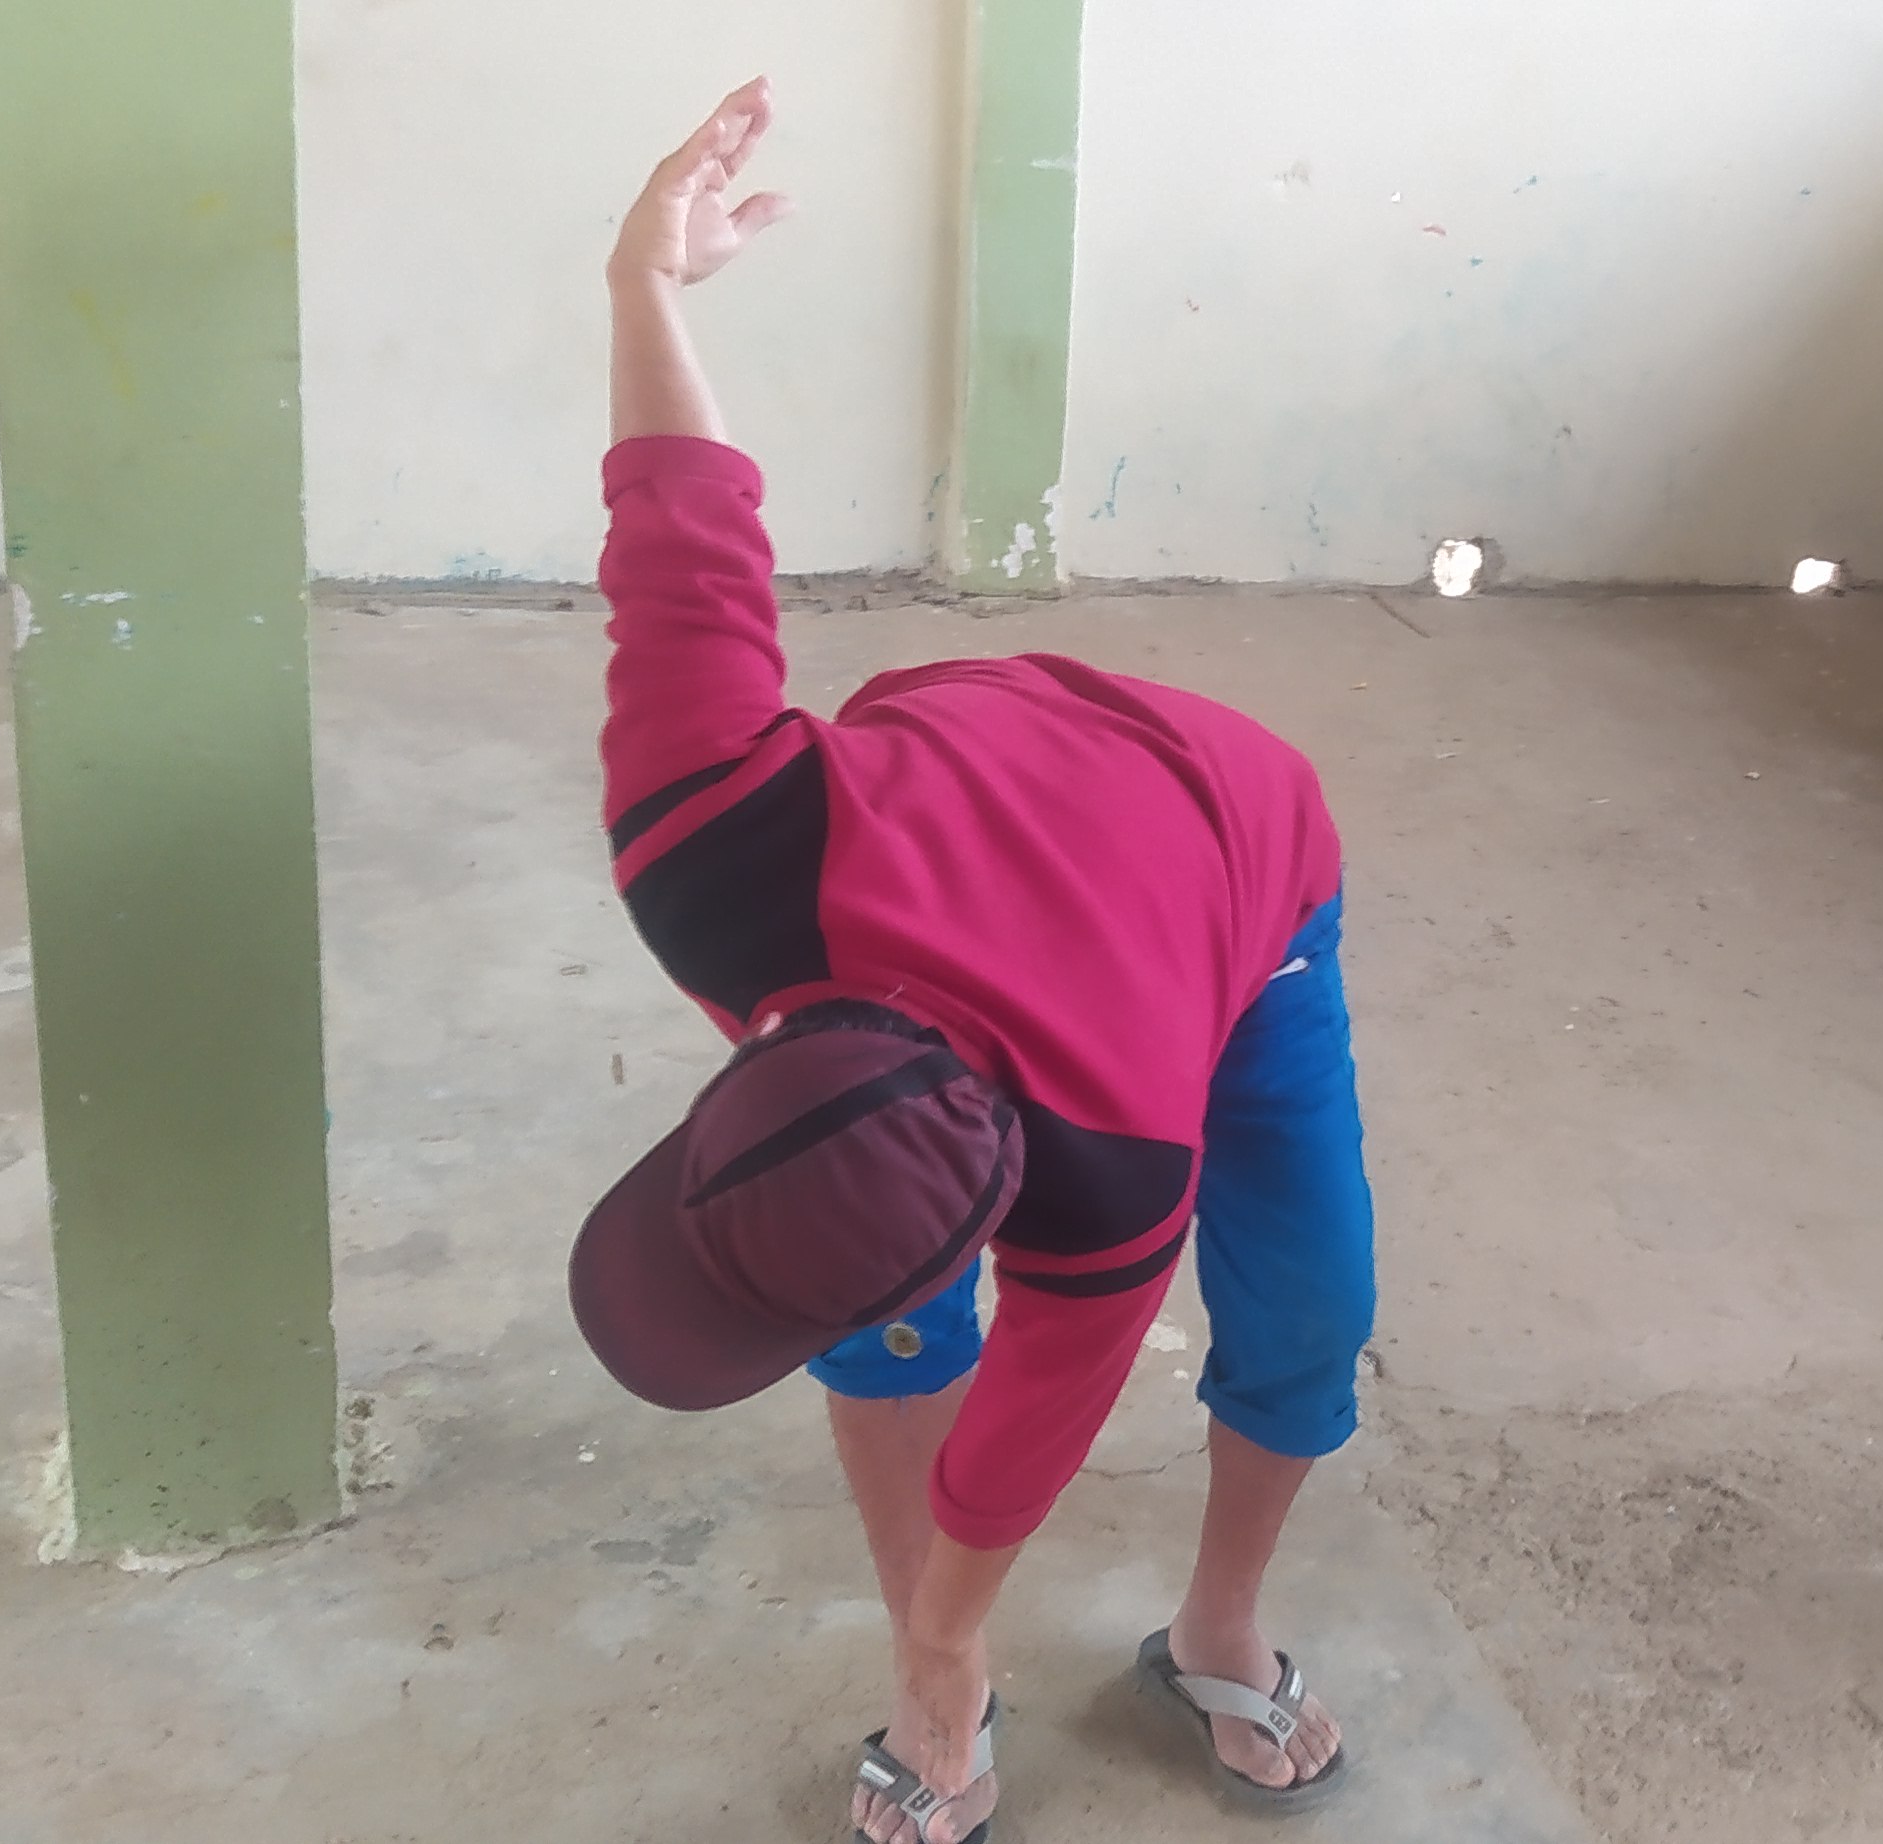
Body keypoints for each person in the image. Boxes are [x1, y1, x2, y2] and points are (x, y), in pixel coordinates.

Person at [565, 82, 1371, 1840]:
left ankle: (1219, 1626)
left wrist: (953, 1625)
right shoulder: (711, 847)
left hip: (1241, 863)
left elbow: (1016, 1455)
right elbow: (682, 529)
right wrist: (647, 286)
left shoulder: (1110, 1174)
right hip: (991, 761)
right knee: (868, 1296)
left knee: (1313, 1300)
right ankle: (941, 1681)